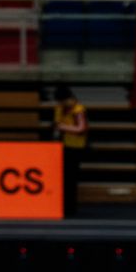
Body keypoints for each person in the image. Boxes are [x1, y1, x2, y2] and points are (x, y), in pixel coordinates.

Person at [53, 83, 87, 217]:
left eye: (65, 100)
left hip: (75, 148)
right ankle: (61, 206)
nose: (64, 103)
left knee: (71, 179)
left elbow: (81, 128)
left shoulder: (78, 110)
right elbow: (56, 125)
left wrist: (63, 128)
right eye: (61, 101)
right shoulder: (59, 108)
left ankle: (70, 208)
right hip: (61, 147)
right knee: (62, 179)